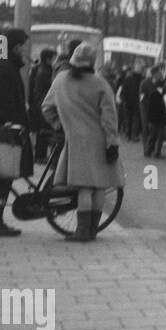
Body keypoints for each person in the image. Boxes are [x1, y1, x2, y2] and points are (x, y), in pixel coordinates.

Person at [41, 43, 124, 243]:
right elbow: (109, 117)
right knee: (99, 187)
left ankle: (82, 231)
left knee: (83, 188)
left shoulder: (61, 81)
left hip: (75, 141)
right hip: (101, 140)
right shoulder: (101, 84)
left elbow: (46, 107)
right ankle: (92, 230)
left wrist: (59, 125)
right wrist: (112, 141)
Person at [0, 28, 34, 237]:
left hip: (3, 132)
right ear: (16, 47)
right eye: (24, 46)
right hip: (4, 134)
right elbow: (0, 103)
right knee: (1, 178)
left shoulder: (3, 65)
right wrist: (13, 122)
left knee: (2, 178)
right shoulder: (4, 68)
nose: (26, 51)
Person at [140, 64, 166, 157]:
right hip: (148, 110)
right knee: (150, 130)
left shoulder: (162, 83)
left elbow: (165, 94)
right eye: (160, 72)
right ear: (154, 74)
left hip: (160, 110)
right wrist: (148, 105)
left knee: (159, 131)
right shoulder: (145, 83)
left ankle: (156, 151)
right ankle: (147, 149)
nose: (161, 74)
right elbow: (142, 98)